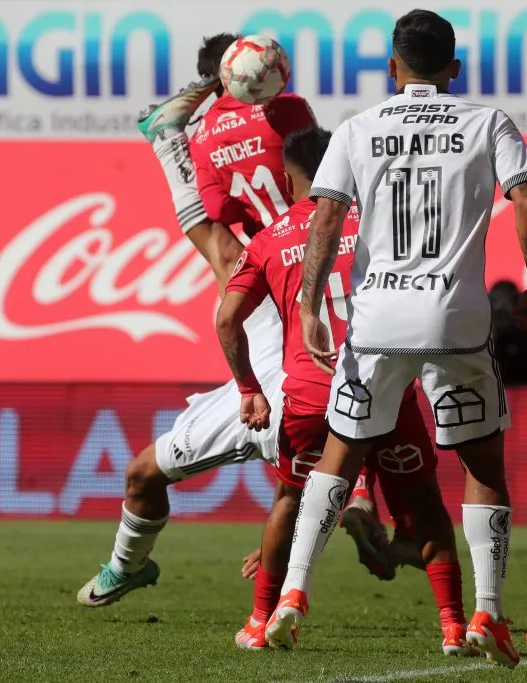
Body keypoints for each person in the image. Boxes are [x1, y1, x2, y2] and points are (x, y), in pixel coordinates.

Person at [263, 10, 527, 669]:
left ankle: (293, 594)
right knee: (482, 468)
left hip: (377, 321)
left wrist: (309, 305)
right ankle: (487, 612)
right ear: (455, 69)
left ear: (393, 68)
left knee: (340, 456)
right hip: (457, 321)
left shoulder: (358, 127)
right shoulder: (488, 122)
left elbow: (326, 216)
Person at [76, 34, 392, 609]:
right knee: (345, 425)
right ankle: (359, 503)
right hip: (323, 295)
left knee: (147, 474)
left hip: (268, 316)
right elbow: (313, 160)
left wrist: (185, 138)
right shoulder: (293, 117)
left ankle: (129, 565)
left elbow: (220, 234)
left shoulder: (210, 142)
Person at [216, 125, 469, 654]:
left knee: (291, 498)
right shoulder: (382, 222)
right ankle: (453, 626)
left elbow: (226, 320)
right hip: (386, 384)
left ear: (287, 177)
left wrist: (248, 387)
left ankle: (261, 620)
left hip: (312, 395)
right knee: (424, 500)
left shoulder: (269, 239)